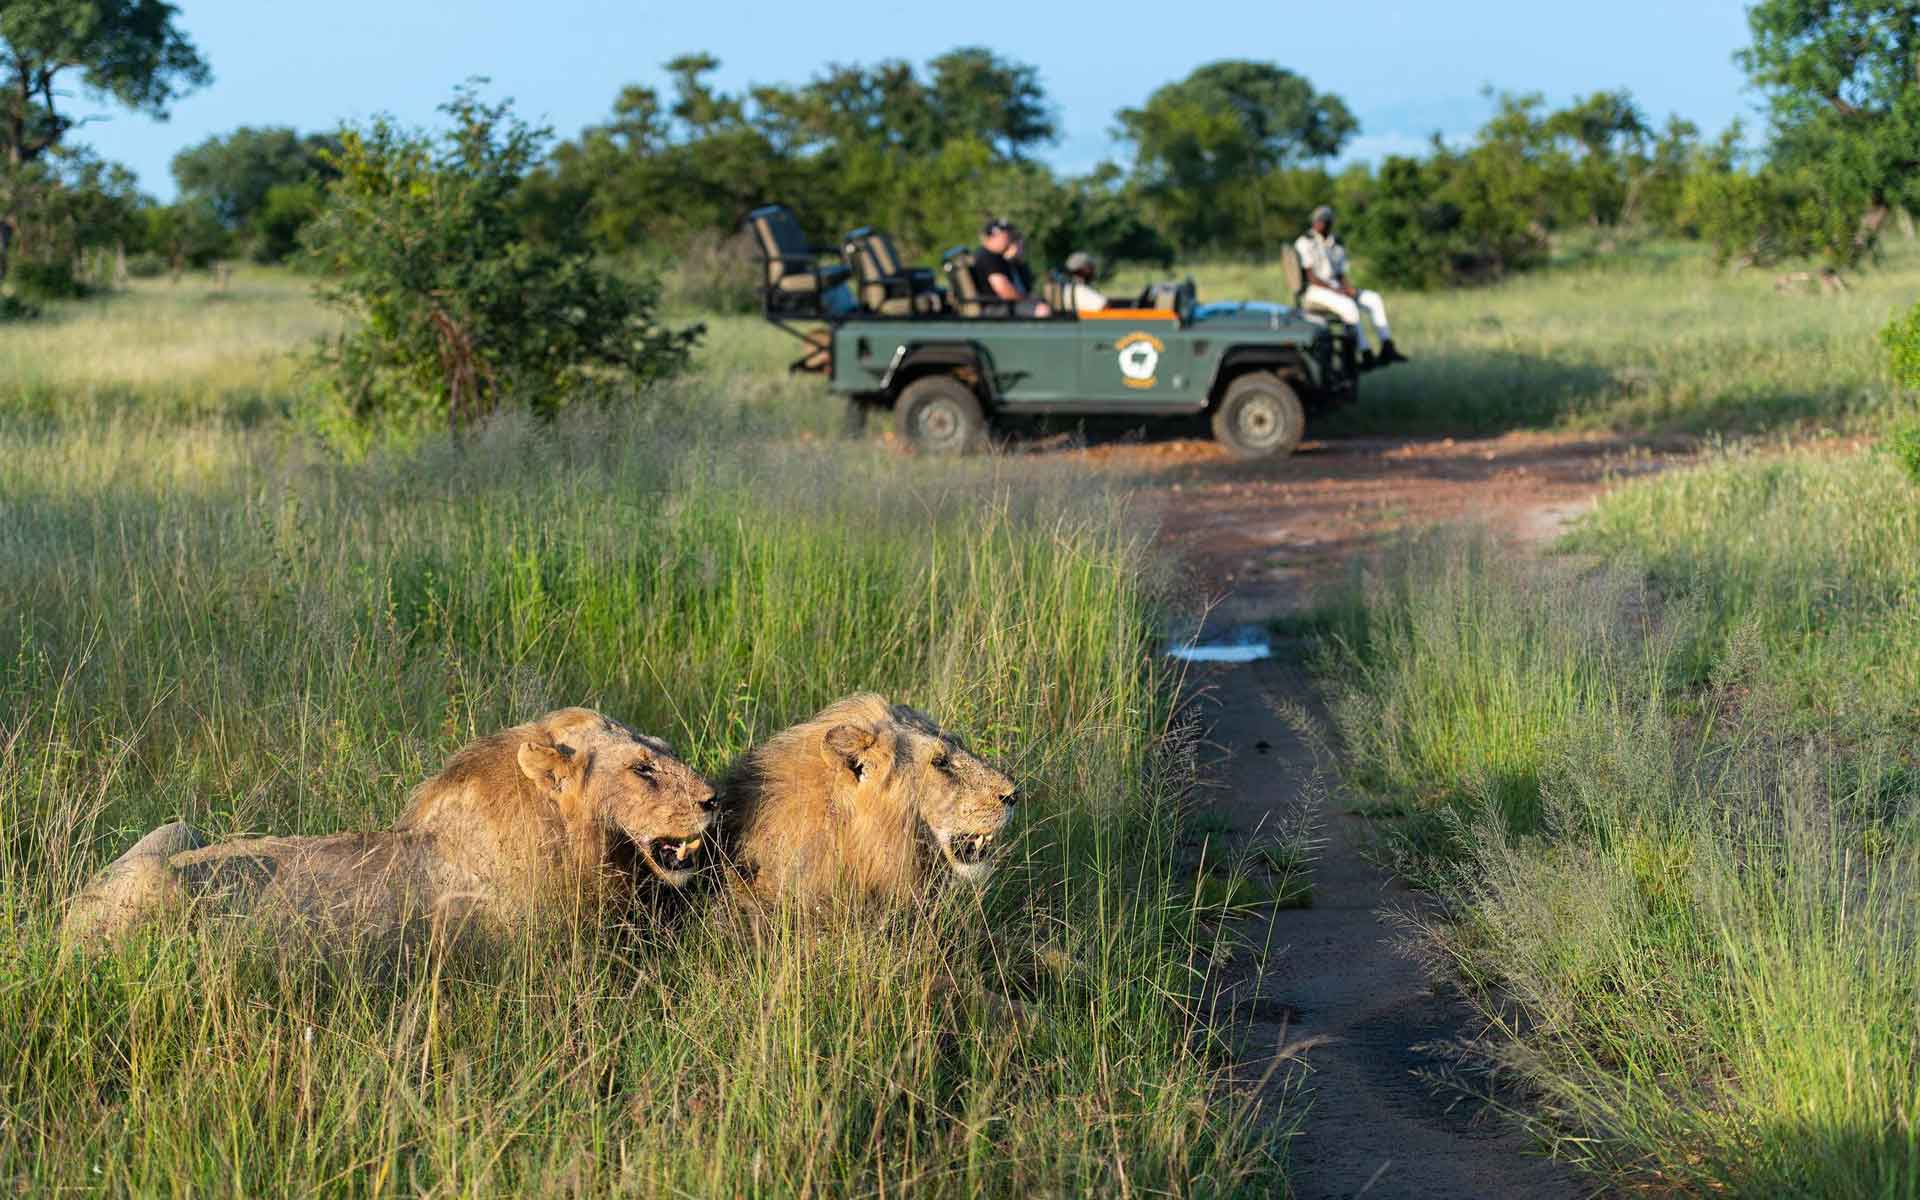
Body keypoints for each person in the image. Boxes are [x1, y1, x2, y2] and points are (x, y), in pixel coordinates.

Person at [1294, 205, 1406, 365]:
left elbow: (1340, 273)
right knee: (1349, 307)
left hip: (1335, 287)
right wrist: (1337, 290)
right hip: (1316, 290)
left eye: (1323, 222)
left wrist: (1349, 289)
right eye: (1317, 221)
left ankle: (1387, 346)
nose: (1319, 224)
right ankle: (1365, 353)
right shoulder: (1305, 241)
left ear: (1329, 223)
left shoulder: (1336, 243)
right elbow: (1311, 276)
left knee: (1374, 299)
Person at [971, 218, 1051, 317]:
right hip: (995, 307)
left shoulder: (999, 257)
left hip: (1006, 305)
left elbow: (1026, 284)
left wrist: (1016, 260)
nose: (1010, 239)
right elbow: (1004, 291)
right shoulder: (987, 256)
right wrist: (1027, 301)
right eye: (1006, 235)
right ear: (993, 236)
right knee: (1042, 311)